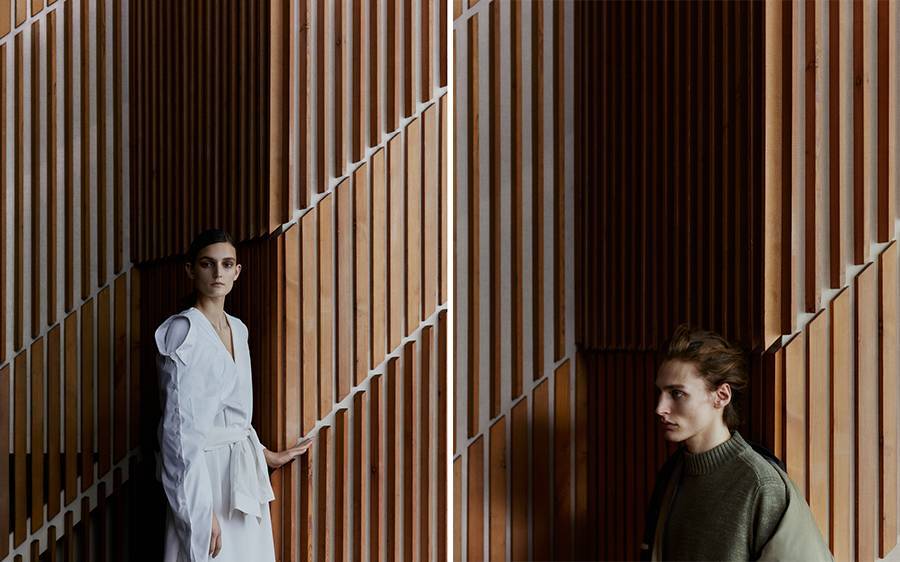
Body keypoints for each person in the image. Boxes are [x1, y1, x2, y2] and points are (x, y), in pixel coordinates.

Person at [155, 229, 311, 561]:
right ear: (190, 270)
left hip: (242, 473)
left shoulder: (238, 329)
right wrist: (199, 511)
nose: (218, 273)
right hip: (204, 475)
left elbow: (231, 409)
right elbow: (177, 433)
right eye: (207, 264)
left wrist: (263, 453)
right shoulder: (184, 331)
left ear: (237, 271)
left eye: (226, 264)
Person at [642, 325, 831, 561]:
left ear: (721, 396)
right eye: (660, 393)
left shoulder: (761, 484)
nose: (660, 408)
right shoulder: (673, 475)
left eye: (677, 393)